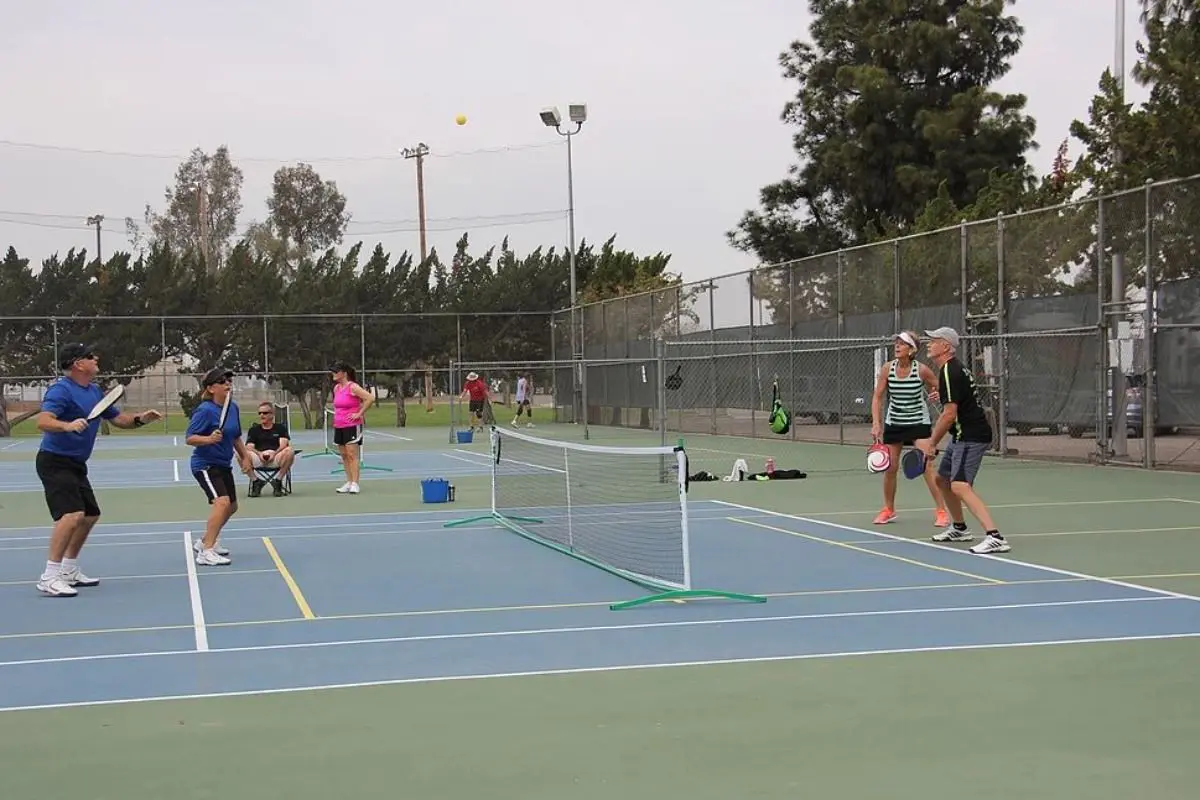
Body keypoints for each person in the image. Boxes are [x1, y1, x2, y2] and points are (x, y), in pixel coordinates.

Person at [33, 343, 163, 597]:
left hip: (76, 464)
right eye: (91, 356)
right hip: (54, 460)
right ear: (78, 364)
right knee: (71, 515)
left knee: (89, 515)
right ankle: (49, 576)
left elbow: (118, 419)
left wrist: (140, 419)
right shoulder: (61, 390)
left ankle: (69, 569)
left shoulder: (94, 391)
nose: (97, 358)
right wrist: (68, 426)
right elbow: (43, 421)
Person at [918, 327, 1010, 554]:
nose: (929, 344)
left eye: (934, 341)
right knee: (942, 480)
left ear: (946, 347)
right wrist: (943, 396)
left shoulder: (950, 370)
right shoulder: (951, 370)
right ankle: (959, 528)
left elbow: (949, 414)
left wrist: (931, 443)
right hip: (961, 435)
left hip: (972, 435)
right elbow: (962, 395)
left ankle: (995, 536)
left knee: (959, 485)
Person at [870, 331, 949, 528]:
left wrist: (936, 394)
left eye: (902, 344)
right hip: (895, 422)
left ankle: (941, 511)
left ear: (912, 349)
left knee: (926, 466)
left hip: (918, 422)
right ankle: (888, 509)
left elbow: (942, 387)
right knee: (890, 468)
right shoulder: (888, 369)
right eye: (896, 343)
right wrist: (876, 423)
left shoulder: (922, 370)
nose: (897, 346)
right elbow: (877, 397)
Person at [186, 368, 252, 566]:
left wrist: (245, 457)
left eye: (229, 381)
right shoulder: (205, 410)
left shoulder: (233, 408)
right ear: (211, 388)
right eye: (222, 381)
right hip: (205, 464)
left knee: (231, 507)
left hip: (224, 464)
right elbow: (190, 438)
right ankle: (206, 552)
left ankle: (206, 541)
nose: (227, 384)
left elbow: (236, 436)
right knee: (221, 502)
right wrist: (209, 439)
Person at [330, 362, 373, 495]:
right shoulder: (337, 388)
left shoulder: (353, 387)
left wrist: (359, 414)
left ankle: (355, 483)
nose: (333, 374)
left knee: (352, 454)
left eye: (336, 371)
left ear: (344, 373)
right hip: (339, 425)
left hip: (352, 426)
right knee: (343, 455)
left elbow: (370, 398)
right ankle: (348, 482)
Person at [244, 401, 295, 497]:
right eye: (260, 413)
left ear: (272, 414)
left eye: (265, 413)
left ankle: (278, 481)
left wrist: (274, 454)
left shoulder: (280, 428)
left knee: (290, 451)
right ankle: (256, 481)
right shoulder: (254, 430)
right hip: (258, 458)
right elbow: (249, 447)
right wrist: (259, 454)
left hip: (276, 457)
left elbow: (283, 445)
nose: (262, 415)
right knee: (240, 453)